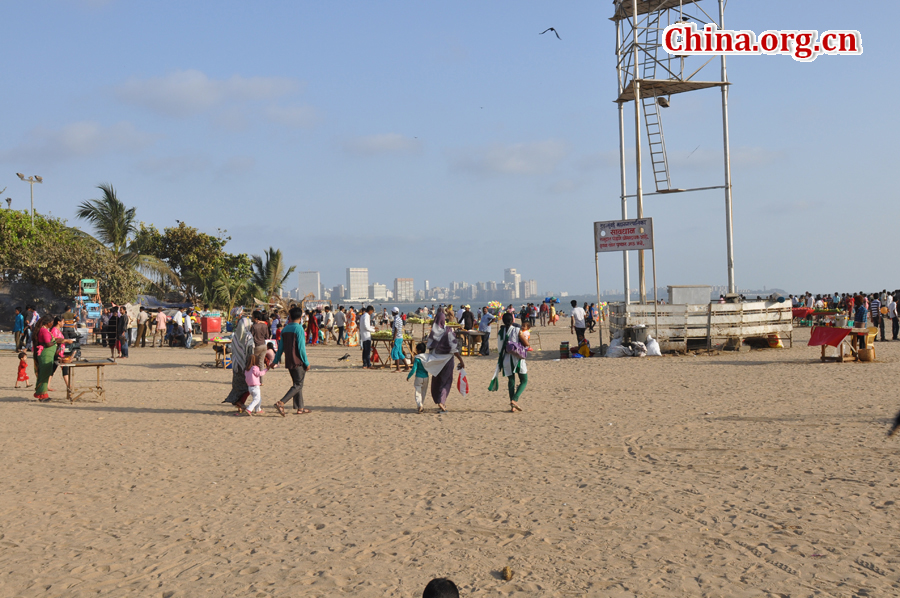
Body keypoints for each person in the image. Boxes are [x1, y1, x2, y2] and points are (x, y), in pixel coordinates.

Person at [417, 311, 465, 412]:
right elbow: (453, 348)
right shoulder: (448, 330)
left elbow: (429, 346)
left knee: (437, 381)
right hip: (447, 360)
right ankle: (441, 401)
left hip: (435, 360)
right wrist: (460, 360)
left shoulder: (433, 332)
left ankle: (437, 399)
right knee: (446, 381)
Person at [273, 306, 311, 416]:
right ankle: (281, 402)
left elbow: (280, 348)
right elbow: (301, 348)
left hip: (289, 360)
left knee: (297, 384)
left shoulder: (285, 329)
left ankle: (300, 408)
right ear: (300, 317)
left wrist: (276, 360)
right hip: (298, 360)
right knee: (298, 384)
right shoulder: (298, 329)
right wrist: (306, 362)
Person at [489, 312, 529, 412]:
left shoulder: (500, 332)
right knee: (524, 380)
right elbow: (526, 343)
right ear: (512, 320)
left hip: (505, 358)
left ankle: (512, 406)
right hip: (517, 358)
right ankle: (514, 400)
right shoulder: (516, 330)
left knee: (511, 381)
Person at [32, 316, 72, 401]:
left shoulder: (45, 330)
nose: (52, 324)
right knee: (44, 374)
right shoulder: (44, 331)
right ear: (47, 323)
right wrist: (56, 341)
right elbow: (48, 343)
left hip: (48, 354)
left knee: (45, 374)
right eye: (51, 322)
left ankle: (42, 394)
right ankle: (42, 395)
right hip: (45, 355)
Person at [223, 308, 254, 407]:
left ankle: (238, 402)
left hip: (236, 365)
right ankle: (239, 402)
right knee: (249, 386)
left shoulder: (236, 336)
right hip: (245, 365)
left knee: (237, 386)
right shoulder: (248, 336)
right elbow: (250, 351)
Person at [407, 342, 429, 413]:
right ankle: (421, 404)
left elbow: (414, 369)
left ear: (419, 351)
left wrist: (409, 376)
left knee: (418, 392)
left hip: (419, 377)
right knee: (423, 392)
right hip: (426, 377)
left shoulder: (417, 358)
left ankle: (420, 405)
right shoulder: (427, 357)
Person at [390, 307, 409, 372]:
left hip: (397, 338)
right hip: (400, 337)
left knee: (395, 352)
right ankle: (407, 366)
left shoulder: (396, 319)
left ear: (394, 312)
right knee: (399, 352)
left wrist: (393, 340)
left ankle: (398, 368)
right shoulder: (399, 319)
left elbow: (396, 330)